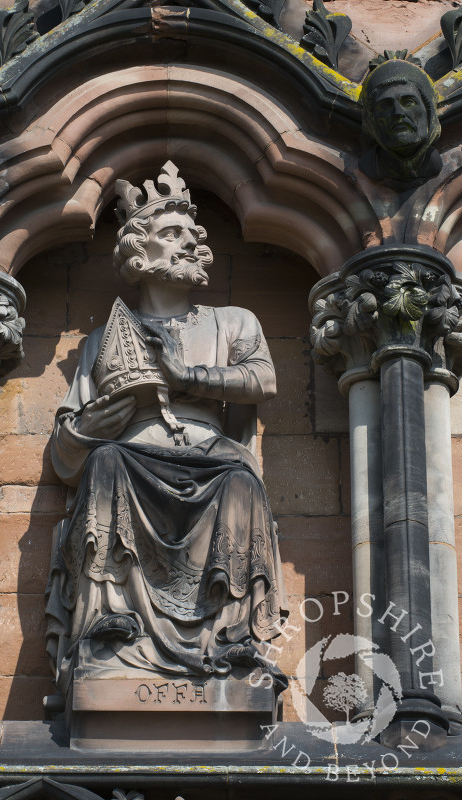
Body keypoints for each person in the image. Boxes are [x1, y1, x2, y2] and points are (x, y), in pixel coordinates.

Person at [45, 162, 288, 699]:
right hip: (132, 457)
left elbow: (262, 378)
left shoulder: (233, 321)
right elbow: (65, 447)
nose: (191, 243)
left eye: (193, 234)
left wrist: (187, 377)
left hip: (210, 456)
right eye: (172, 233)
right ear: (139, 251)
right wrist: (89, 428)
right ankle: (109, 622)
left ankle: (233, 634)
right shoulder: (103, 341)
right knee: (105, 464)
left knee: (240, 483)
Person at [359, 57, 442, 186]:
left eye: (408, 102)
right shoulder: (371, 165)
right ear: (371, 120)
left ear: (429, 112)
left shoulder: (434, 164)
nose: (398, 113)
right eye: (385, 106)